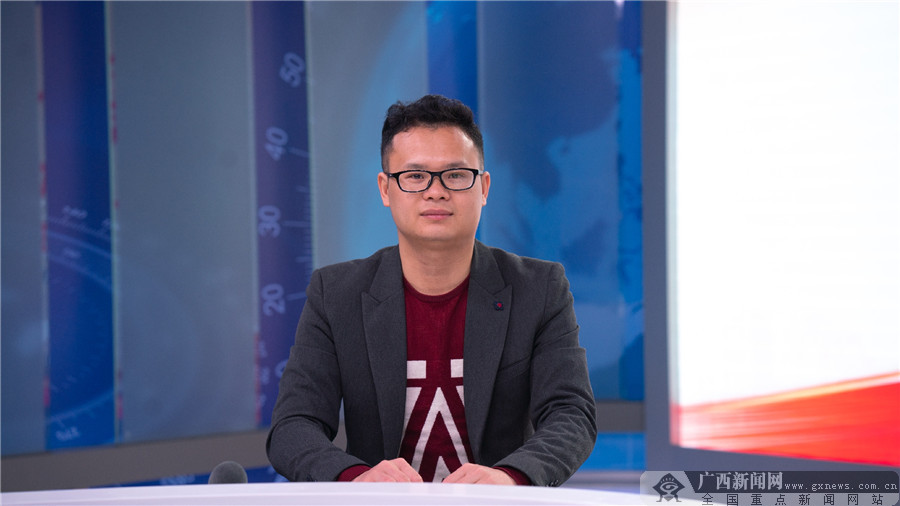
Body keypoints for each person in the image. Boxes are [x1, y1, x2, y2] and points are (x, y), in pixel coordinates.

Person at [267, 94, 597, 486]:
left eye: (455, 175)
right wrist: (357, 479)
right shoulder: (336, 294)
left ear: (484, 187)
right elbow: (293, 426)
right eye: (415, 176)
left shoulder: (539, 290)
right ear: (385, 189)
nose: (436, 191)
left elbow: (571, 415)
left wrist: (510, 478)